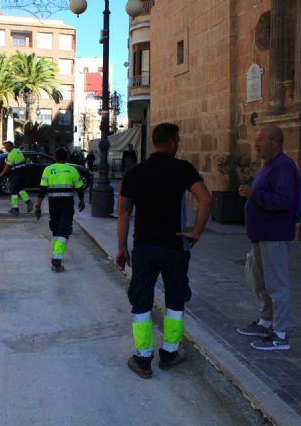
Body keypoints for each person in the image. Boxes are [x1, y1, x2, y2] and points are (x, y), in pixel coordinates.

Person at [115, 122, 212, 379]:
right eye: (177, 140)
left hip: (144, 247)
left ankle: (143, 358)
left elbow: (123, 212)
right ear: (171, 142)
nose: (178, 144)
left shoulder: (134, 173)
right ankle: (169, 352)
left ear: (154, 142)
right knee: (175, 299)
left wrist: (122, 248)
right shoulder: (182, 169)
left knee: (141, 300)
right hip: (175, 246)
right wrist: (197, 232)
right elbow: (206, 198)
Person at [236, 125, 299, 351]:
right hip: (261, 235)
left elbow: (284, 200)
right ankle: (265, 321)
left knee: (277, 285)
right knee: (261, 282)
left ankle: (280, 334)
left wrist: (255, 194)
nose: (256, 144)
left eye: (261, 140)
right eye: (255, 140)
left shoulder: (283, 166)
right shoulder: (269, 166)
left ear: (275, 142)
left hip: (274, 236)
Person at [34, 148, 85, 273]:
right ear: (66, 157)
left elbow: (42, 190)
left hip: (53, 203)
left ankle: (57, 252)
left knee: (56, 228)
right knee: (64, 230)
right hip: (67, 203)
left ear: (55, 157)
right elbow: (79, 187)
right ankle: (56, 259)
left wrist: (37, 206)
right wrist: (82, 200)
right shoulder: (72, 170)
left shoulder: (48, 170)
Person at [0, 140, 33, 216]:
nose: (6, 148)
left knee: (13, 191)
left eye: (7, 147)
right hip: (23, 173)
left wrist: (2, 173)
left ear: (11, 146)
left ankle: (15, 209)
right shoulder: (18, 151)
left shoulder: (12, 154)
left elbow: (8, 166)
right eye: (5, 147)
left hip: (17, 174)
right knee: (20, 190)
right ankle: (28, 202)